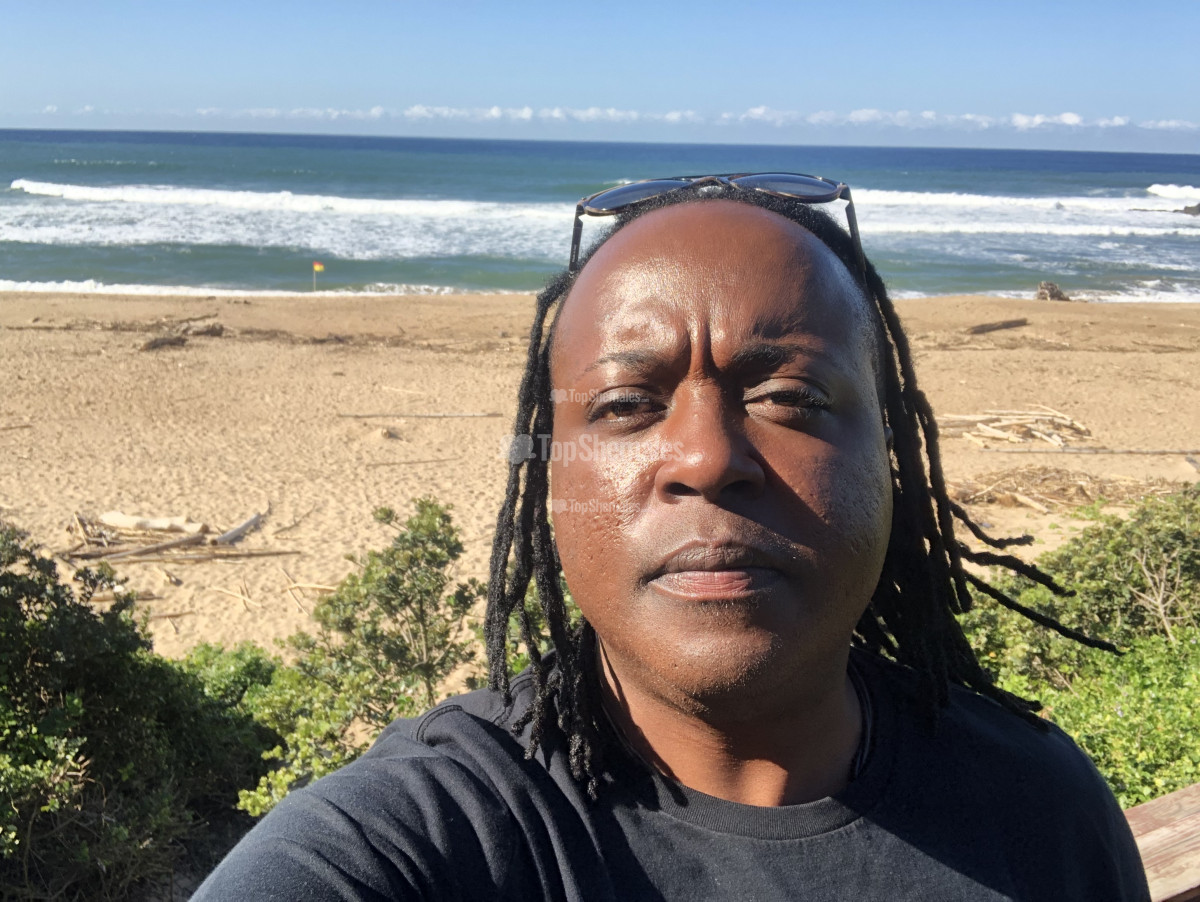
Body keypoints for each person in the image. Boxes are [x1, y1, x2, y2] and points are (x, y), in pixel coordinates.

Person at [196, 174, 1150, 900]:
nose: (705, 456)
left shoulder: (1041, 811)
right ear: (551, 478)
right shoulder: (421, 841)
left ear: (891, 456)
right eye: (624, 404)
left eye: (791, 397)